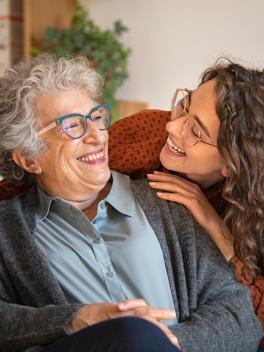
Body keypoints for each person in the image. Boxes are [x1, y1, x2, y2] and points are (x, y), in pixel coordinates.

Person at [0, 54, 261, 352]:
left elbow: (241, 316)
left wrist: (168, 343)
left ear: (230, 164)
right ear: (29, 157)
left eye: (97, 118)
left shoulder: (171, 203)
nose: (98, 136)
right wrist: (74, 319)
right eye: (72, 125)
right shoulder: (9, 229)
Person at [108, 59, 264, 345]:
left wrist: (218, 232)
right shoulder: (148, 131)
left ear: (231, 164)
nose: (172, 125)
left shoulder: (253, 212)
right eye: (184, 105)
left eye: (196, 131)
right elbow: (53, 170)